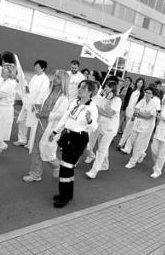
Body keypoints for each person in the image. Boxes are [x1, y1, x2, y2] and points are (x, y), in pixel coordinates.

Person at [50, 80, 98, 208]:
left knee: (66, 166)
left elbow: (93, 128)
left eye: (83, 88)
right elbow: (65, 118)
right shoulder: (75, 102)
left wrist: (89, 120)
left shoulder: (92, 107)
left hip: (79, 138)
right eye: (80, 87)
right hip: (68, 136)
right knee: (67, 167)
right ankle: (66, 194)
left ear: (90, 92)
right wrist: (55, 131)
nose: (80, 89)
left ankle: (64, 196)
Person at [22, 70, 70, 182]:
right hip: (40, 123)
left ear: (63, 81)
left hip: (50, 126)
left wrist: (45, 114)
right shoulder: (49, 91)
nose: (54, 79)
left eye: (58, 77)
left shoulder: (64, 98)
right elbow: (41, 103)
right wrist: (36, 106)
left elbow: (60, 114)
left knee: (47, 152)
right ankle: (35, 174)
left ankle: (57, 166)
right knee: (36, 149)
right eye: (55, 76)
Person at [85, 80, 121, 179]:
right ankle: (104, 165)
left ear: (112, 88)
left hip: (110, 129)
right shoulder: (102, 97)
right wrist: (102, 109)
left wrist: (103, 108)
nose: (104, 88)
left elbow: (110, 114)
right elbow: (97, 110)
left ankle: (94, 170)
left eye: (106, 87)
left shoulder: (117, 100)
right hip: (101, 126)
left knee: (101, 149)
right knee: (102, 147)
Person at [13, 60, 50, 147]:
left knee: (33, 125)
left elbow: (42, 93)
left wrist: (36, 105)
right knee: (22, 121)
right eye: (35, 66)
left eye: (37, 67)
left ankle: (31, 143)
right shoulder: (34, 77)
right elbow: (29, 89)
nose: (35, 68)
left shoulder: (45, 80)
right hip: (27, 103)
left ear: (43, 68)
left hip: (35, 105)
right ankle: (22, 139)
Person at [124, 87, 160, 169]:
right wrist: (142, 113)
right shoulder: (142, 101)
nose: (147, 94)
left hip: (147, 128)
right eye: (146, 92)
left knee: (138, 144)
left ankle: (132, 162)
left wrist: (140, 113)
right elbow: (136, 110)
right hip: (137, 124)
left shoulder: (155, 104)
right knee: (132, 142)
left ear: (152, 95)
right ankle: (141, 154)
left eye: (149, 93)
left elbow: (148, 117)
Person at [118, 78, 145, 152]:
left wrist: (135, 114)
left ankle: (127, 147)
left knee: (131, 131)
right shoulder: (132, 91)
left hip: (134, 114)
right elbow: (127, 100)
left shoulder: (142, 94)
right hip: (128, 111)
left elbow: (140, 106)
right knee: (126, 129)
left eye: (141, 83)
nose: (139, 84)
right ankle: (121, 143)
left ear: (143, 84)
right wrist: (125, 109)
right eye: (138, 82)